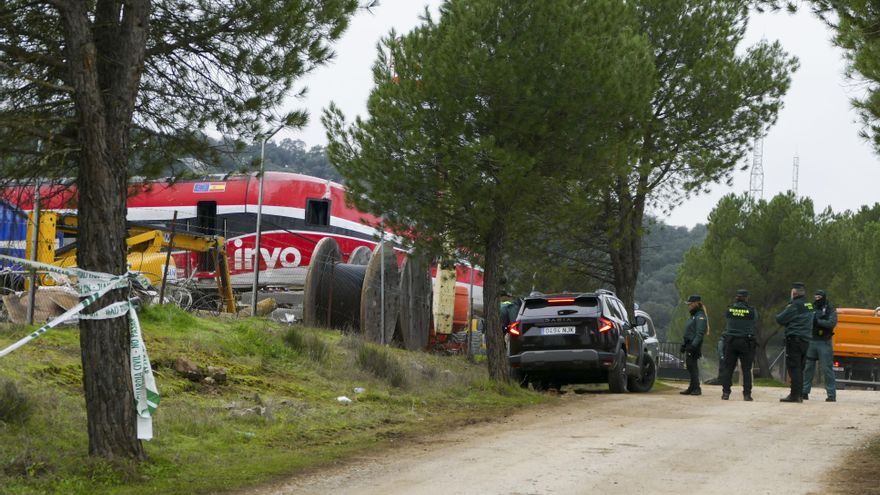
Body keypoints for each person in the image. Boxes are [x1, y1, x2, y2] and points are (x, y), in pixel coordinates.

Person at [775, 282, 814, 403]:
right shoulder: (809, 305)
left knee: (794, 368)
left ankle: (795, 395)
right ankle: (800, 394)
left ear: (794, 293)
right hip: (806, 340)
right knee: (800, 368)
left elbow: (780, 318)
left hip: (795, 340)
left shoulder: (794, 306)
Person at [719, 289, 757, 401]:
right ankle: (747, 394)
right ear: (747, 298)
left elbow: (727, 320)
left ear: (737, 297)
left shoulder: (729, 309)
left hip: (731, 342)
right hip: (746, 342)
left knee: (728, 368)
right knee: (746, 370)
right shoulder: (751, 311)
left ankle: (726, 393)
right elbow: (755, 321)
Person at [802, 289, 837, 402]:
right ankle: (804, 392)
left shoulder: (830, 309)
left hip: (824, 342)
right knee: (808, 368)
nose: (817, 299)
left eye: (819, 297)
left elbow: (832, 323)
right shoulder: (810, 307)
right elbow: (804, 320)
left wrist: (818, 322)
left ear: (824, 297)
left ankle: (831, 395)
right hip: (812, 340)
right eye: (816, 297)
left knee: (827, 369)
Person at [680, 294, 708, 396]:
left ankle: (697, 388)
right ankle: (692, 387)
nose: (689, 306)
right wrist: (684, 345)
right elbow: (688, 332)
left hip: (694, 345)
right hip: (689, 343)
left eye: (690, 304)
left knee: (692, 366)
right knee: (690, 366)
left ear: (696, 304)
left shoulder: (700, 316)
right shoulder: (693, 316)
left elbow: (699, 333)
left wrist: (693, 346)